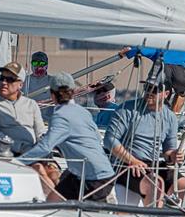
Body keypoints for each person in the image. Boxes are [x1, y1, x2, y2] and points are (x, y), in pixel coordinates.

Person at [18, 72, 116, 202]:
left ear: (52, 95)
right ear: (73, 92)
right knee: (52, 202)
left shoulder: (60, 115)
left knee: (79, 216)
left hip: (94, 178)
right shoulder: (83, 112)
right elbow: (97, 139)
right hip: (96, 173)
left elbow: (45, 147)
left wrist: (17, 163)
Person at [103, 73, 185, 207]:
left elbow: (168, 151)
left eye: (155, 90)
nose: (149, 92)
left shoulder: (170, 117)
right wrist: (132, 161)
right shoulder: (127, 109)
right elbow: (110, 140)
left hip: (153, 164)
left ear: (166, 93)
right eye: (147, 88)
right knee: (156, 184)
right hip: (125, 164)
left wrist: (174, 155)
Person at [0, 61, 45, 155]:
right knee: (40, 168)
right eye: (2, 78)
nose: (4, 82)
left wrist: (44, 148)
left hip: (32, 153)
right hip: (7, 155)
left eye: (10, 79)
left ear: (20, 85)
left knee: (52, 168)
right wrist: (21, 147)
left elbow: (40, 133)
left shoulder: (31, 104)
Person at [119, 47, 185, 115]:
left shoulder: (160, 49)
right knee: (181, 91)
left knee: (157, 92)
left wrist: (127, 53)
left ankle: (154, 116)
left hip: (164, 67)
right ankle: (173, 117)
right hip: (183, 74)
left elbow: (141, 50)